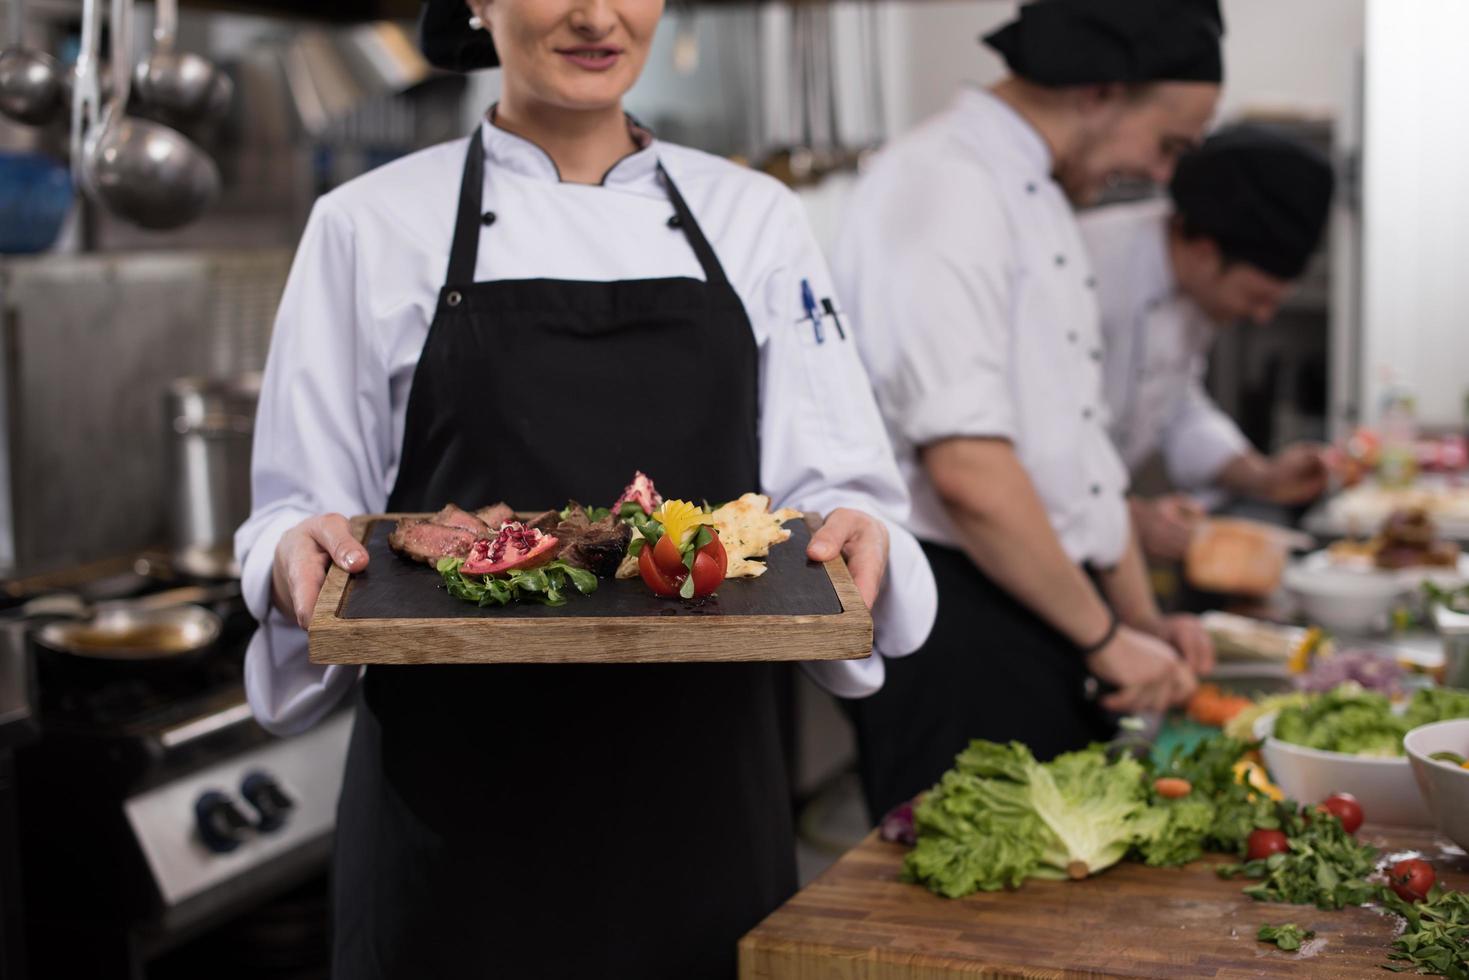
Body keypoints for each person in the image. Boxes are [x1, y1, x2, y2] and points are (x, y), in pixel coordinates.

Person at [233, 1, 936, 976]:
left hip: (700, 793)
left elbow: (838, 486)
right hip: (456, 805)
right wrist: (286, 555)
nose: (596, 15)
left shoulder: (753, 216)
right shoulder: (366, 223)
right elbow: (294, 506)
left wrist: (860, 533)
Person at [830, 0, 1223, 822]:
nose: (1162, 177)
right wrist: (1106, 639)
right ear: (1098, 92)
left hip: (1040, 600)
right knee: (963, 929)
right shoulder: (943, 182)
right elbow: (968, 472)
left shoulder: (1033, 186)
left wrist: (1139, 618)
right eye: (1168, 146)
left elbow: (1074, 449)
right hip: (956, 619)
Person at [1080, 125, 1337, 561]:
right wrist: (1129, 519)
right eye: (1257, 297)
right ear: (1204, 250)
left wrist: (1263, 476)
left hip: (1091, 534)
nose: (1263, 316)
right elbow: (1038, 440)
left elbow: (1178, 407)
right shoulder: (1088, 266)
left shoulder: (1193, 293)